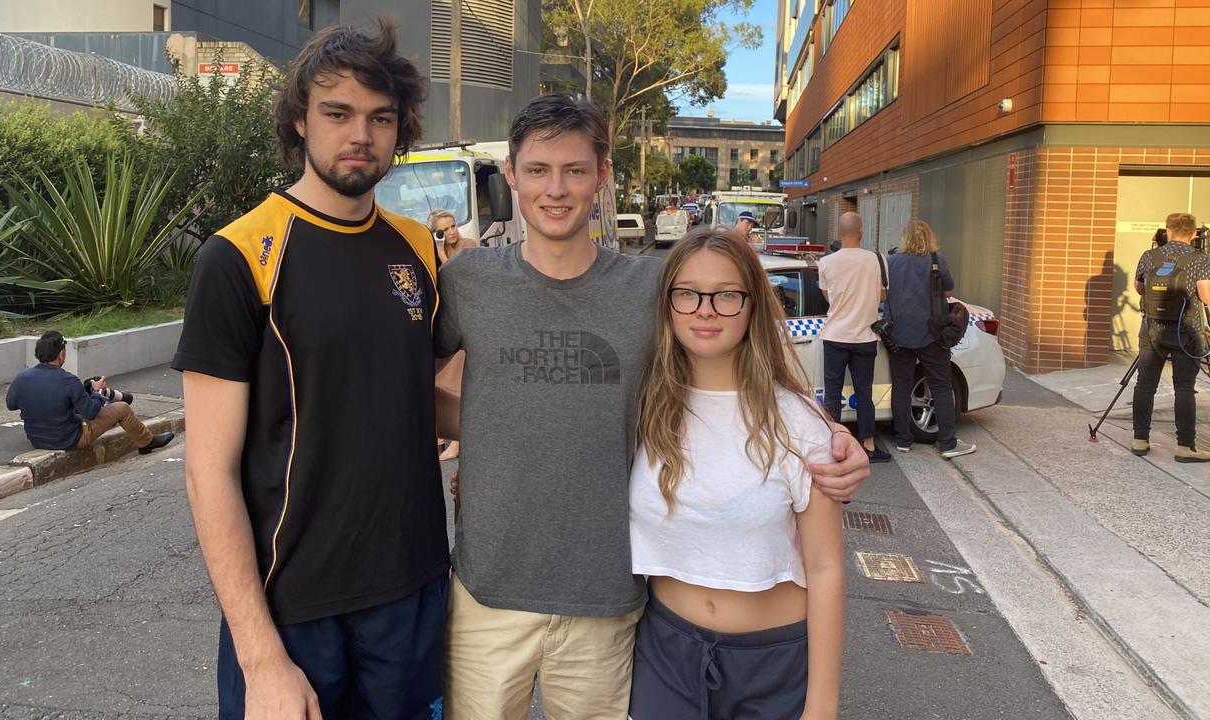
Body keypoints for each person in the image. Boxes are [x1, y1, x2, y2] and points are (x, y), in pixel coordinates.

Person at [433, 93, 868, 720]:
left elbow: (727, 370)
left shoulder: (648, 289)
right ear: (512, 176)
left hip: (609, 600)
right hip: (486, 595)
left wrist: (826, 431)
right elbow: (406, 389)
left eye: (576, 170)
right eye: (538, 170)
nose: (556, 189)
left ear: (602, 176)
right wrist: (483, 429)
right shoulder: (467, 282)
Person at [172, 22, 453, 720]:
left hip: (412, 595)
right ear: (300, 120)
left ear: (401, 129)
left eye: (380, 118)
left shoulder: (419, 248)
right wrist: (260, 655)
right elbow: (208, 471)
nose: (361, 133)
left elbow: (432, 402)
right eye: (338, 113)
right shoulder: (238, 256)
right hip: (295, 612)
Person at [629, 227, 844, 719]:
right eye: (687, 294)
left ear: (751, 305)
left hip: (771, 664)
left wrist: (822, 706)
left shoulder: (799, 423)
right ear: (667, 305)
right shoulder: (643, 409)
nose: (705, 309)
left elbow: (827, 569)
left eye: (727, 294)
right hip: (664, 654)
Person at [884, 220, 975, 459]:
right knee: (941, 388)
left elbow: (884, 294)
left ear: (904, 238)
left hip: (898, 334)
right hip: (931, 335)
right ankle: (947, 444)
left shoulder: (891, 262)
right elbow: (949, 292)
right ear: (929, 237)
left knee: (901, 387)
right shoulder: (936, 260)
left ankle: (903, 441)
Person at [5, 330, 172, 454]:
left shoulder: (21, 377)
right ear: (62, 354)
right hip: (70, 439)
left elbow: (11, 405)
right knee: (122, 408)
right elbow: (91, 413)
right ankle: (146, 442)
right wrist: (98, 392)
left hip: (36, 439)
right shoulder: (68, 380)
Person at [1132, 212, 1210, 462]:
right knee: (1184, 388)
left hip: (1152, 329)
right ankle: (1185, 447)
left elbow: (1140, 287)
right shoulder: (1199, 259)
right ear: (1194, 233)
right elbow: (1206, 296)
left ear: (1167, 231)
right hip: (1186, 331)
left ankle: (1140, 440)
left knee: (1145, 385)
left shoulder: (1150, 255)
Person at [817, 211, 890, 462]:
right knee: (863, 393)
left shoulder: (826, 263)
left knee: (832, 394)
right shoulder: (876, 260)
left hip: (835, 336)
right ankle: (869, 445)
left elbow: (827, 296)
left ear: (839, 233)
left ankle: (832, 446)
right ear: (861, 232)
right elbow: (883, 295)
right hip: (865, 337)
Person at [427, 209, 477, 461]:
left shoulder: (469, 246)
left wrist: (439, 250)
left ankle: (456, 443)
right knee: (440, 380)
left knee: (457, 377)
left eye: (453, 226)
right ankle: (439, 437)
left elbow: (454, 274)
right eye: (443, 229)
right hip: (445, 319)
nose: (451, 232)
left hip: (466, 318)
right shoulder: (428, 250)